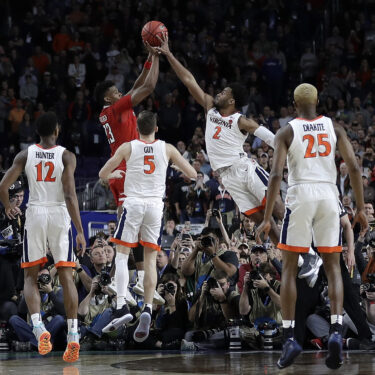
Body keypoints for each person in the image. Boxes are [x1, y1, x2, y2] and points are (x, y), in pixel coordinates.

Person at [256, 83, 368, 369]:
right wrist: (359, 208)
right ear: (318, 101)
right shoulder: (335, 128)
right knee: (333, 267)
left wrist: (268, 217)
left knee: (290, 269)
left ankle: (289, 337)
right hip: (329, 196)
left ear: (294, 104)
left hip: (301, 195)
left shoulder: (287, 130)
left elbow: (275, 177)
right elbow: (355, 168)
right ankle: (335, 331)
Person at [155, 34, 283, 246]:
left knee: (278, 209)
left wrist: (289, 150)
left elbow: (269, 137)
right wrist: (168, 53)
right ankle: (295, 261)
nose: (219, 92)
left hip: (243, 168)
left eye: (224, 92)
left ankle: (307, 251)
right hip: (227, 177)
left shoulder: (240, 120)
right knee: (263, 222)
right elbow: (188, 80)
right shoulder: (210, 109)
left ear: (231, 101)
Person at [98, 110, 196, 342]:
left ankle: (122, 306)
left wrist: (115, 172)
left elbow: (103, 174)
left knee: (122, 256)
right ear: (156, 128)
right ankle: (148, 308)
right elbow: (192, 174)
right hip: (154, 206)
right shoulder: (168, 148)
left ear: (137, 129)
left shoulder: (128, 147)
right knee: (151, 260)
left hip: (133, 203)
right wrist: (178, 171)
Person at [0, 112, 86, 362]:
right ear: (57, 131)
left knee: (30, 273)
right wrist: (80, 231)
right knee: (66, 275)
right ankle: (73, 336)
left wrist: (7, 207)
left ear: (37, 132)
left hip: (36, 212)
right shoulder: (67, 155)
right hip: (59, 213)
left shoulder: (25, 154)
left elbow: (3, 187)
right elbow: (70, 195)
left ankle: (38, 328)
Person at [93, 44, 160, 302]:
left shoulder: (111, 110)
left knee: (133, 227)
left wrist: (149, 60)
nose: (121, 93)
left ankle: (137, 281)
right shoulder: (116, 109)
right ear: (109, 98)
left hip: (122, 168)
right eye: (116, 92)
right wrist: (157, 61)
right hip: (125, 170)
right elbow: (148, 87)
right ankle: (119, 280)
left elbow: (136, 86)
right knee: (127, 230)